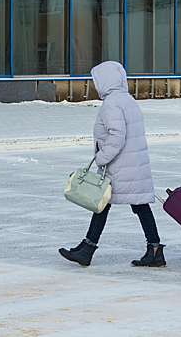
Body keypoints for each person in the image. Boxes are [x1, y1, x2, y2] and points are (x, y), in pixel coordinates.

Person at [59, 61, 165, 268]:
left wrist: (101, 158)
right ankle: (154, 249)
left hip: (119, 166)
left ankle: (87, 249)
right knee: (136, 206)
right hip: (134, 166)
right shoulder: (128, 100)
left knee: (101, 204)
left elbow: (117, 136)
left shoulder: (111, 103)